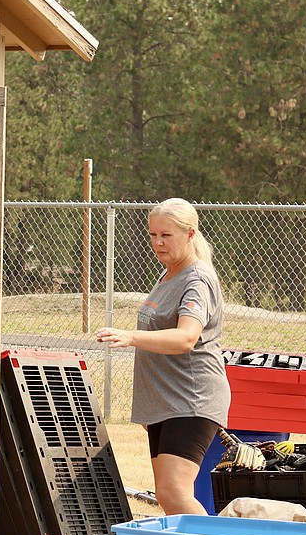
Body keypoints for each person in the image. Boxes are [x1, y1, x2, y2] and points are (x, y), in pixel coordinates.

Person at [95, 198, 230, 515]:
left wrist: (130, 337)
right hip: (167, 404)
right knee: (168, 494)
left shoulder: (197, 279)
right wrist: (151, 409)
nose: (157, 242)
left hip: (191, 401)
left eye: (166, 235)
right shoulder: (169, 274)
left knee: (174, 492)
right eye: (153, 234)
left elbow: (186, 337)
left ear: (190, 234)